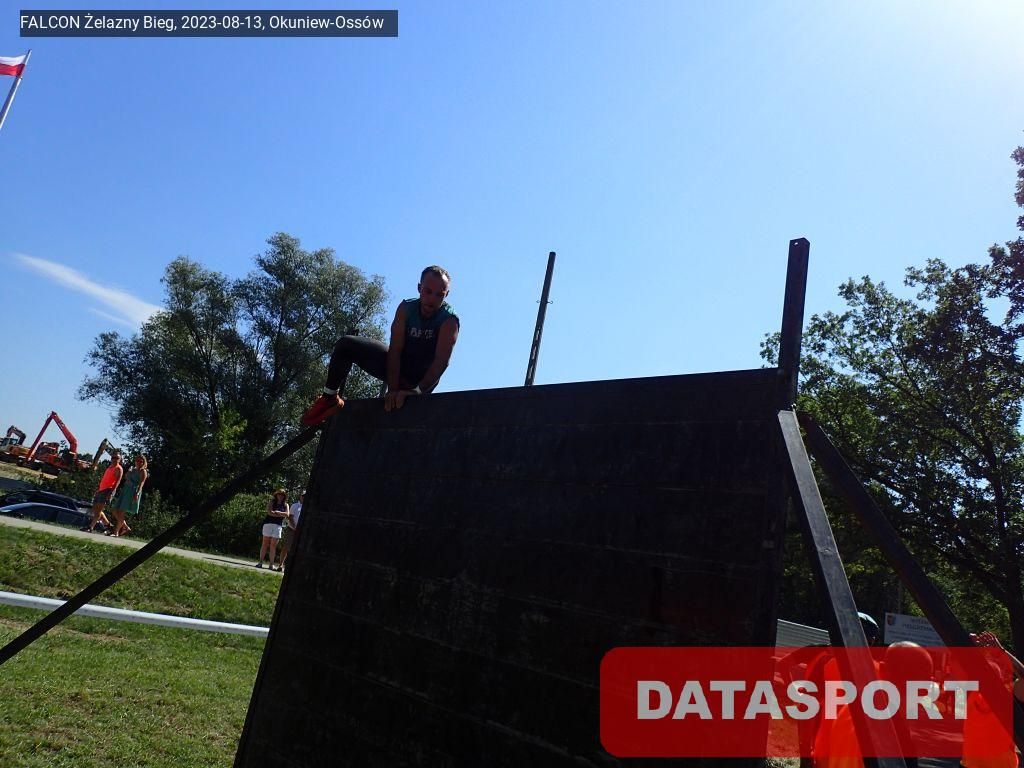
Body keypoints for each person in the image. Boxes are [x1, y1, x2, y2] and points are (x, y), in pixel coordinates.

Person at [301, 266, 460, 426]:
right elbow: (395, 350)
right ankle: (329, 398)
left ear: (446, 295)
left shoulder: (449, 320)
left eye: (439, 294)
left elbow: (441, 361)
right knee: (346, 344)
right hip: (400, 370)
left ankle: (413, 394)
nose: (432, 299)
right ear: (419, 288)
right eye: (428, 291)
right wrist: (392, 389)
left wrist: (417, 391)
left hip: (420, 380)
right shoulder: (406, 309)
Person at [106, 455, 148, 537]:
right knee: (114, 509)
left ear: (143, 462)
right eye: (137, 461)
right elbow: (126, 477)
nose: (138, 462)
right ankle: (125, 527)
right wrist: (129, 472)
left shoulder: (143, 471)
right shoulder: (132, 469)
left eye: (141, 461)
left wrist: (137, 493)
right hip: (125, 489)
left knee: (121, 511)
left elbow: (141, 483)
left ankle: (116, 532)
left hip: (132, 491)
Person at [84, 452, 123, 532]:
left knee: (98, 510)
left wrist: (111, 492)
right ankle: (108, 525)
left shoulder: (118, 469)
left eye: (116, 458)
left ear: (120, 459)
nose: (114, 459)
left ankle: (91, 527)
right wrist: (98, 488)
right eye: (113, 457)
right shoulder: (110, 467)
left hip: (107, 490)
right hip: (101, 489)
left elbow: (117, 482)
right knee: (95, 508)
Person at [258, 489, 289, 571]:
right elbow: (269, 512)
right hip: (268, 524)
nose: (280, 496)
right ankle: (260, 562)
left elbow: (287, 514)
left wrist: (277, 512)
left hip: (278, 526)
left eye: (282, 495)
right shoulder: (272, 502)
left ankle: (271, 564)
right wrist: (280, 515)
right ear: (276, 495)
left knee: (273, 545)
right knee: (265, 543)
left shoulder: (286, 505)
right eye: (279, 494)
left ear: (284, 496)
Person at [279, 491, 304, 572]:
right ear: (300, 496)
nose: (304, 497)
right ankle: (281, 565)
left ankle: (291, 567)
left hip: (301, 532)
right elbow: (290, 517)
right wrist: (295, 527)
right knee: (286, 547)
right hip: (291, 530)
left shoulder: (308, 507)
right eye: (303, 496)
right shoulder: (295, 505)